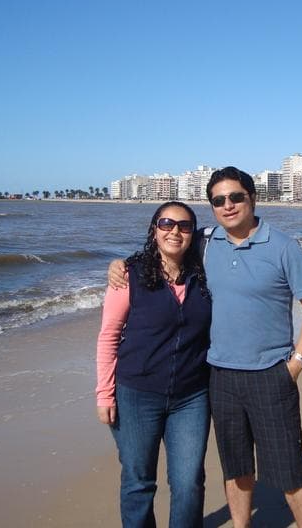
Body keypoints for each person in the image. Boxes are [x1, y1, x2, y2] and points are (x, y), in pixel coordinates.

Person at [109, 167, 302, 528]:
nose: (228, 205)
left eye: (236, 197)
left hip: (271, 374)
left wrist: (297, 362)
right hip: (219, 377)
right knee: (236, 467)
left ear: (252, 198)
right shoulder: (206, 243)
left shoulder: (283, 247)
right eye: (218, 200)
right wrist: (120, 265)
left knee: (289, 469)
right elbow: (165, 247)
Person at [97, 201, 212, 528]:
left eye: (184, 226)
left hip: (192, 396)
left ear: (193, 234)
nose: (175, 231)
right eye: (166, 224)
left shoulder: (205, 275)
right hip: (136, 394)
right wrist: (104, 394)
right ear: (154, 230)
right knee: (139, 481)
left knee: (189, 482)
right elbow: (109, 336)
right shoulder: (129, 275)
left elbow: (234, 235)